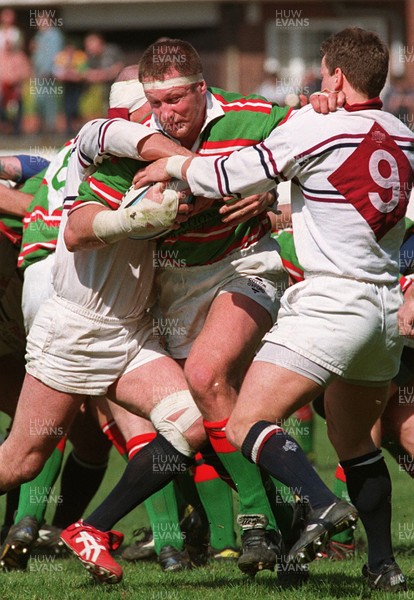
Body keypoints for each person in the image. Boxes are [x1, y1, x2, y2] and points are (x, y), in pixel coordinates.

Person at [135, 27, 414, 592]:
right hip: (385, 310)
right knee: (357, 443)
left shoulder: (318, 126)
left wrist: (171, 168)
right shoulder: (402, 133)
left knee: (244, 421)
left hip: (331, 302)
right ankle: (382, 566)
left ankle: (318, 503)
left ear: (335, 76)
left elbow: (230, 174)